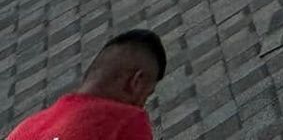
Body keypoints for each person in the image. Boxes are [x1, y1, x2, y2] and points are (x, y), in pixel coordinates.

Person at [5, 30, 166, 140]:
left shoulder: (25, 128)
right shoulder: (127, 120)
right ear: (136, 82)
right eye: (147, 95)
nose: (142, 105)